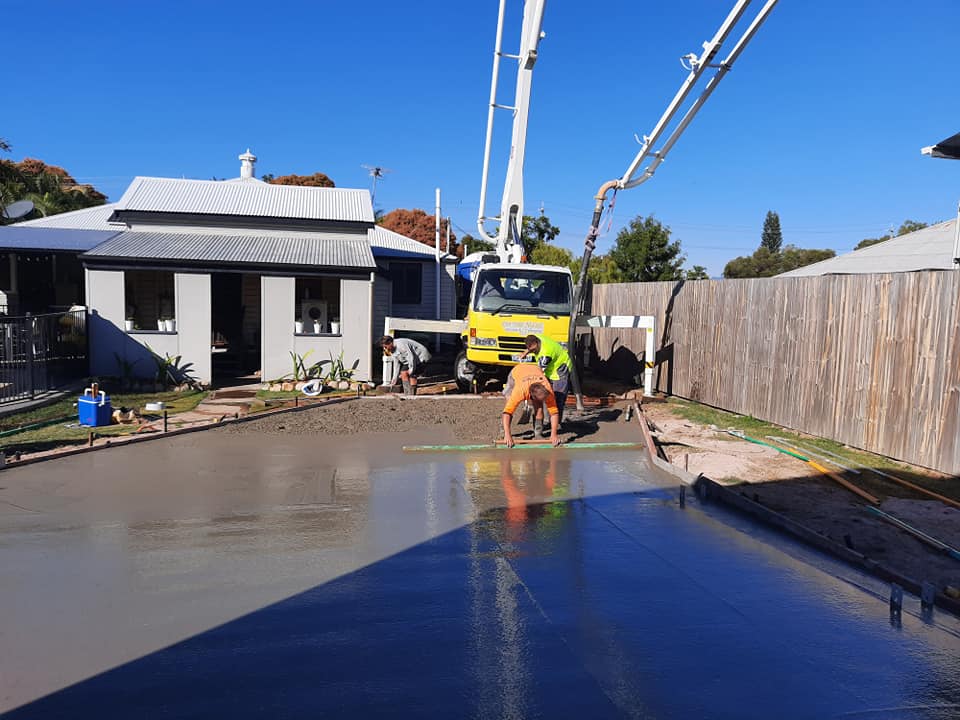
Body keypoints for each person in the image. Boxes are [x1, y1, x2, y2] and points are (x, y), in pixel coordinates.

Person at [518, 333, 571, 434]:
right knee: (546, 394)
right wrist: (526, 352)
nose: (532, 351)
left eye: (533, 350)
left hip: (560, 367)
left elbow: (539, 374)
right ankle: (548, 420)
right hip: (550, 368)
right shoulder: (537, 338)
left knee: (558, 397)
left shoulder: (545, 353)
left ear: (537, 344)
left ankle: (556, 424)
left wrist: (530, 387)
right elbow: (531, 347)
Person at [501, 362, 561, 447]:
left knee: (539, 407)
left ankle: (538, 433)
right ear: (531, 396)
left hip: (535, 369)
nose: (545, 401)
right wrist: (508, 435)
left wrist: (553, 435)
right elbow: (507, 413)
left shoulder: (548, 390)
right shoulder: (519, 391)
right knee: (509, 404)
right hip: (517, 372)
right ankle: (503, 432)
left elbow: (554, 412)